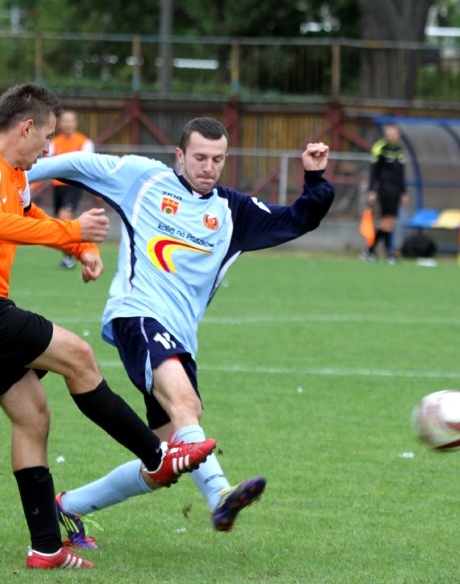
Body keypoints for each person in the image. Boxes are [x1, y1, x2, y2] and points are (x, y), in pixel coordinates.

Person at [0, 83, 216, 571]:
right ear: (26, 127)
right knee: (79, 356)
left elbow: (27, 214)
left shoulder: (9, 174)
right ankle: (157, 456)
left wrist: (78, 249)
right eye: (47, 136)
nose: (49, 148)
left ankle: (46, 548)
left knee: (32, 416)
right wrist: (74, 232)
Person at [27, 117, 334, 544]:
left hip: (180, 336)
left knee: (164, 464)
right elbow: (79, 164)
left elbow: (299, 218)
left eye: (218, 159)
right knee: (185, 403)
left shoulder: (233, 212)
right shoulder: (144, 179)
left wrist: (315, 178)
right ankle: (221, 496)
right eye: (200, 157)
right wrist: (19, 174)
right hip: (137, 315)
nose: (208, 167)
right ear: (179, 155)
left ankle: (69, 507)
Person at [48, 110, 95, 270]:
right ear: (60, 124)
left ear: (76, 123)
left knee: (64, 218)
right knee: (61, 223)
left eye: (70, 121)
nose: (67, 124)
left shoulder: (84, 143)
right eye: (65, 121)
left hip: (73, 185)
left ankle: (73, 255)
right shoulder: (54, 143)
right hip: (57, 186)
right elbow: (48, 164)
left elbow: (89, 166)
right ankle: (69, 256)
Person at [363, 124, 408, 264]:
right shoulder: (380, 147)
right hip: (385, 188)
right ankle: (387, 252)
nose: (391, 135)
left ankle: (373, 251)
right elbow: (373, 171)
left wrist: (404, 192)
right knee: (387, 220)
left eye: (393, 133)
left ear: (398, 135)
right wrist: (372, 190)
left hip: (396, 190)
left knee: (389, 221)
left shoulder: (399, 150)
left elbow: (401, 174)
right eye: (388, 133)